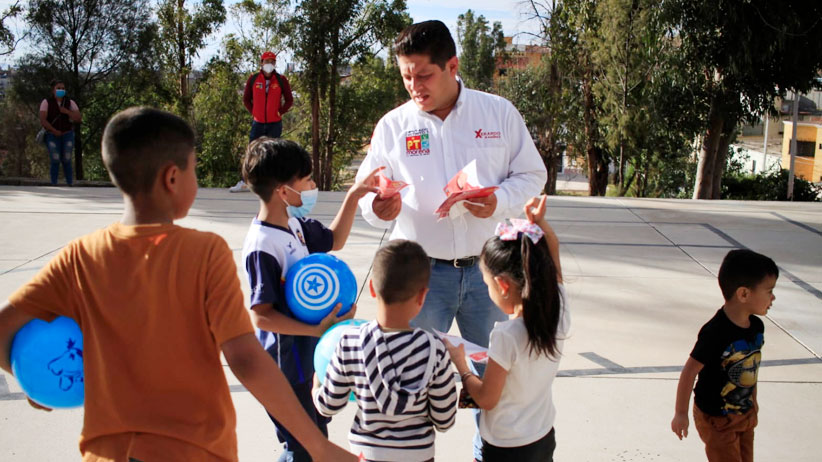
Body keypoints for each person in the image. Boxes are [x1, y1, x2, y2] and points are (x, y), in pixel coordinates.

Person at [0, 107, 355, 462]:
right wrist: (317, 444)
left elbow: (4, 327)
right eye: (194, 171)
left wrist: (35, 380)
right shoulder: (203, 254)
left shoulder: (81, 255)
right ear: (173, 178)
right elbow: (247, 360)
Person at [354, 19, 546, 353]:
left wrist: (498, 200)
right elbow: (366, 193)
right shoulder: (393, 126)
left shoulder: (497, 114)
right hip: (420, 276)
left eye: (423, 75)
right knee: (415, 374)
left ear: (452, 66)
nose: (414, 86)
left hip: (491, 272)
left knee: (491, 379)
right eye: (406, 77)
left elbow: (532, 175)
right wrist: (377, 208)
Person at [240, 137, 382, 462]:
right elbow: (261, 316)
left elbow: (335, 240)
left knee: (315, 432)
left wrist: (353, 196)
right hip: (282, 363)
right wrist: (318, 330)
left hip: (306, 354)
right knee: (303, 445)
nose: (313, 185)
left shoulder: (295, 226)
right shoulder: (263, 244)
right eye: (307, 180)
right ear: (282, 190)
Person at [444, 195, 569, 462]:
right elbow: (553, 254)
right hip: (542, 436)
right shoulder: (559, 310)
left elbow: (487, 399)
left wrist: (462, 367)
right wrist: (540, 224)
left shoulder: (506, 335)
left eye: (488, 284)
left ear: (502, 285)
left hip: (504, 447)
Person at [313, 240, 458, 462]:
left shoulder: (349, 342)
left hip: (366, 454)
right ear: (422, 296)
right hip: (418, 455)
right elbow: (445, 419)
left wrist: (316, 384)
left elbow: (328, 406)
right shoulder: (434, 349)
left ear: (372, 288)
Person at [671, 249, 778, 462]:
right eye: (769, 291)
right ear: (744, 294)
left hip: (745, 416)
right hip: (716, 420)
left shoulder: (756, 328)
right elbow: (689, 372)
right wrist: (681, 413)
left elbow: (750, 369)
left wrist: (752, 403)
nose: (773, 297)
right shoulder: (715, 332)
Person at [230, 51, 294, 193]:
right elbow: (246, 99)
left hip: (274, 122)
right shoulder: (253, 79)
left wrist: (280, 111)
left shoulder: (281, 79)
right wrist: (254, 111)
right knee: (252, 152)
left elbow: (289, 100)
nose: (269, 64)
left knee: (274, 153)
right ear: (261, 63)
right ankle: (245, 181)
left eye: (272, 61)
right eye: (267, 61)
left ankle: (274, 184)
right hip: (258, 122)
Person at [39, 79, 81, 186]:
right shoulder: (46, 102)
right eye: (58, 88)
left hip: (67, 134)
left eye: (63, 88)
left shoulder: (70, 103)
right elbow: (43, 120)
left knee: (67, 158)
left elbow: (78, 118)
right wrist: (54, 130)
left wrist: (67, 111)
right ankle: (54, 183)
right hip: (52, 135)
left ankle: (69, 182)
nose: (61, 90)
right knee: (55, 158)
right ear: (53, 90)